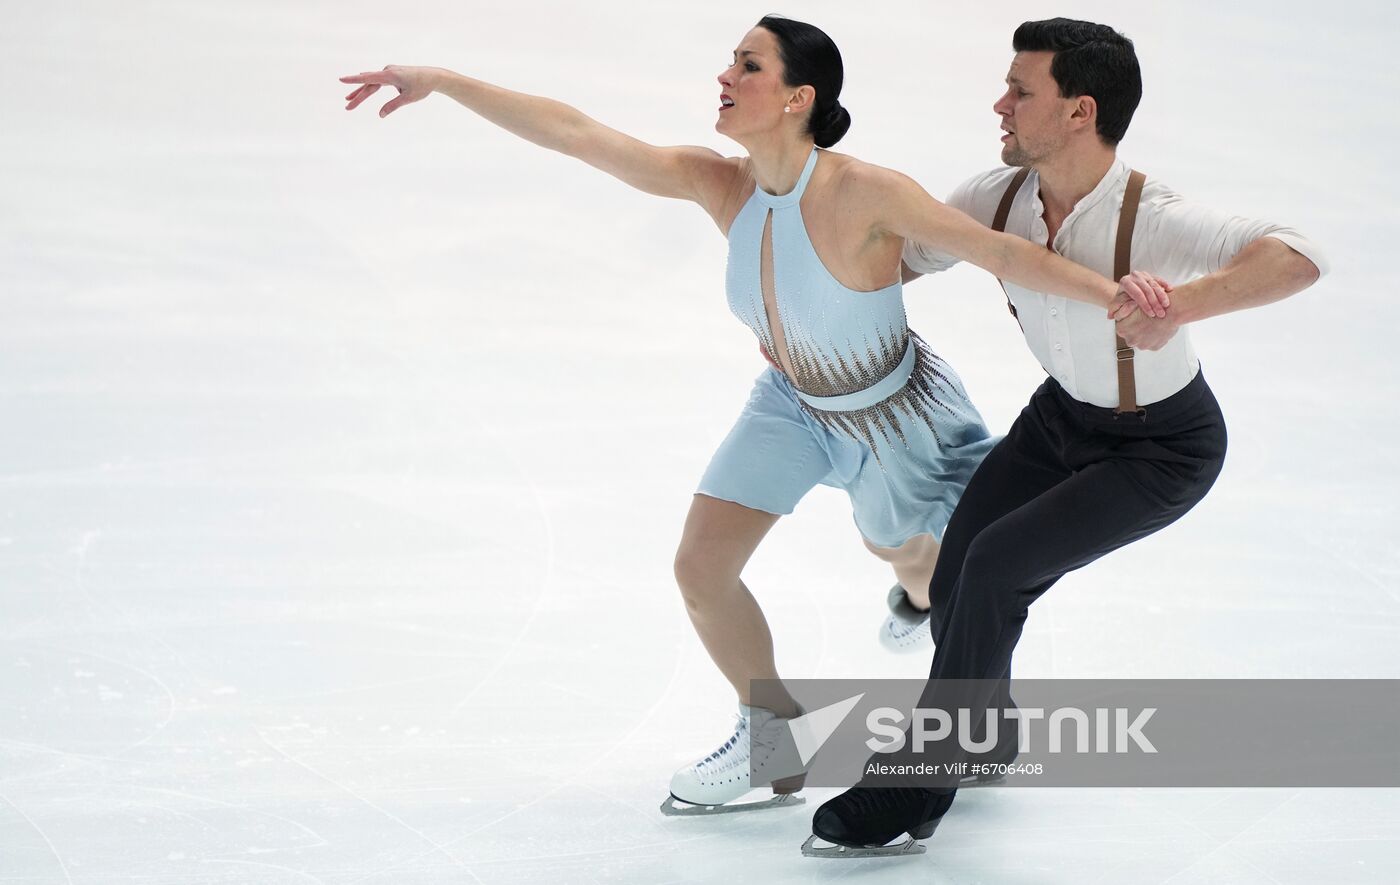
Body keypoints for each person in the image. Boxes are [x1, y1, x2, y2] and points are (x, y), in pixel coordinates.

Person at [339, 15, 1165, 816]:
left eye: (748, 65)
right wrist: (443, 83)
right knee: (700, 566)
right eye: (730, 62)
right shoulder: (721, 183)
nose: (725, 77)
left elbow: (1002, 252)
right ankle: (770, 737)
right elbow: (577, 133)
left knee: (929, 572)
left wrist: (1114, 297)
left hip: (893, 415)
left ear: (799, 96)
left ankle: (949, 665)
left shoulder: (867, 192)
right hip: (793, 408)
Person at [807, 17, 1327, 857]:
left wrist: (1179, 310)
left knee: (997, 567)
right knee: (958, 577)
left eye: (1021, 91)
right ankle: (990, 733)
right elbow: (895, 259)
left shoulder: (1150, 217)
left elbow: (1299, 256)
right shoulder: (997, 199)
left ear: (1080, 112)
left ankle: (921, 779)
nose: (1000, 103)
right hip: (1060, 420)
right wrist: (800, 306)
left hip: (1161, 448)